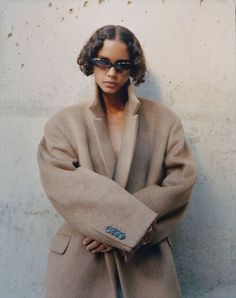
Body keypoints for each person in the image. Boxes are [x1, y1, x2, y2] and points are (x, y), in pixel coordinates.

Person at [37, 24, 197, 298]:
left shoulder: (163, 121)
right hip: (81, 260)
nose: (112, 73)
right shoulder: (64, 124)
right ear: (91, 62)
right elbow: (59, 180)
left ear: (133, 68)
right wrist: (121, 222)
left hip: (145, 258)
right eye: (103, 62)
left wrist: (123, 227)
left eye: (122, 65)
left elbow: (180, 183)